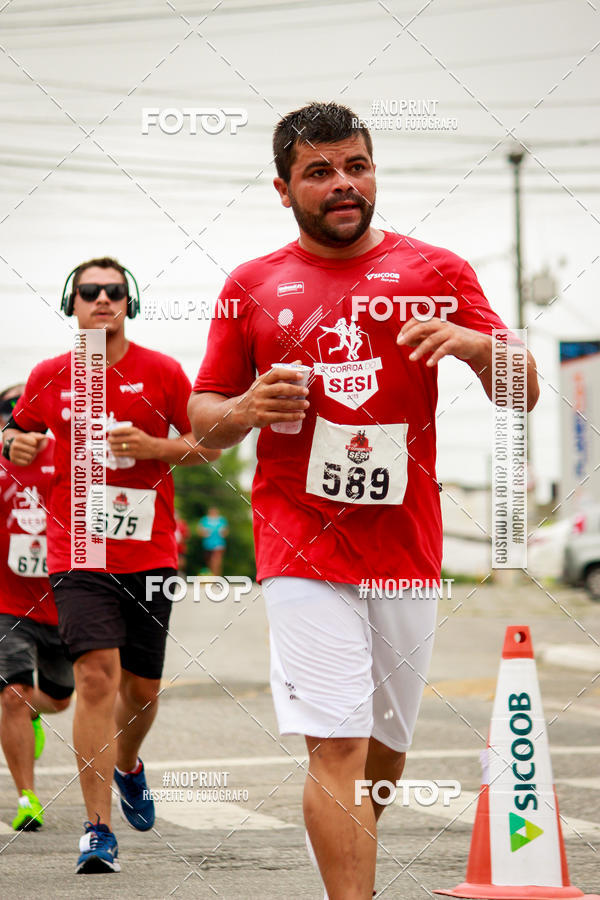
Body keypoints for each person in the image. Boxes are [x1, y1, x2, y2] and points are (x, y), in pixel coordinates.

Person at [187, 102, 540, 900]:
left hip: (405, 540)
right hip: (298, 537)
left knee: (384, 746)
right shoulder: (252, 285)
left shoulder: (437, 271)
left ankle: (358, 855)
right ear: (284, 189)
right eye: (319, 171)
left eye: (356, 165)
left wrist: (485, 348)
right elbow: (204, 428)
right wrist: (246, 408)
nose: (342, 184)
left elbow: (522, 398)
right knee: (336, 743)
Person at [3, 257, 220, 874]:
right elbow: (16, 434)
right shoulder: (50, 375)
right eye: (90, 292)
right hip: (78, 555)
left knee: (142, 689)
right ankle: (97, 830)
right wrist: (10, 443)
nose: (103, 300)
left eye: (115, 292)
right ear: (72, 302)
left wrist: (157, 448)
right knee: (97, 677)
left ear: (131, 302)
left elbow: (209, 444)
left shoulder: (162, 372)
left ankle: (128, 765)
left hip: (149, 552)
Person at [0, 384, 73, 831]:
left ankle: (31, 716)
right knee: (13, 693)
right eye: (11, 412)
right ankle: (27, 798)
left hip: (64, 599)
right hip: (8, 602)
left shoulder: (69, 459)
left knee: (59, 700)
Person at [197, 506, 228, 575]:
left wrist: (223, 532)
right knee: (209, 562)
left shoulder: (221, 520)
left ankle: (216, 577)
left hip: (219, 544)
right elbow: (199, 531)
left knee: (216, 561)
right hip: (207, 544)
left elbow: (226, 532)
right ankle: (212, 575)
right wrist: (204, 533)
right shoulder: (204, 520)